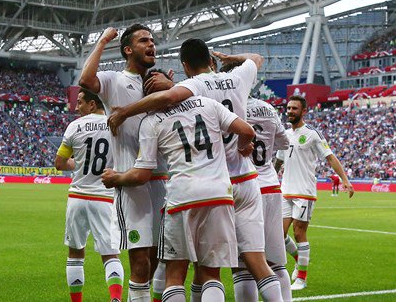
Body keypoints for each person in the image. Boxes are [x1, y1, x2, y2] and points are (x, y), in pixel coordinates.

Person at [108, 40, 282, 302]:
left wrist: (123, 112)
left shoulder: (192, 91)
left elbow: (168, 98)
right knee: (251, 263)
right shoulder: (237, 78)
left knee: (179, 270)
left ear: (185, 67)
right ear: (211, 61)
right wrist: (230, 56)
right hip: (241, 181)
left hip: (196, 187)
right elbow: (256, 58)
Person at [103, 95, 256, 302]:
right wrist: (241, 147)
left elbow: (141, 175)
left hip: (181, 198)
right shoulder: (207, 103)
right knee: (211, 274)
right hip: (219, 195)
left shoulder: (151, 121)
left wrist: (116, 177)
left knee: (175, 274)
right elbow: (247, 131)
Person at [78, 25, 171, 302]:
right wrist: (103, 40)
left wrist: (172, 86)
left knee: (157, 260)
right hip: (132, 184)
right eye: (144, 40)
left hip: (164, 181)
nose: (151, 44)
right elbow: (85, 79)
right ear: (128, 50)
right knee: (140, 262)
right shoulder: (114, 81)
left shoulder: (161, 82)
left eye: (152, 40)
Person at [275, 95, 354, 292]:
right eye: (289, 108)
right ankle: (298, 260)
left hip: (305, 192)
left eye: (294, 108)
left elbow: (330, 158)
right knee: (278, 234)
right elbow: (278, 162)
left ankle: (302, 278)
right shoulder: (284, 134)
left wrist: (345, 180)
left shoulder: (312, 134)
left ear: (304, 111)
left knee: (299, 232)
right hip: (285, 191)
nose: (290, 111)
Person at [54, 88, 124, 302]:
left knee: (75, 254)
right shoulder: (115, 124)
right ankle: (116, 298)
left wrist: (79, 164)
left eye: (81, 102)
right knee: (110, 255)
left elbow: (59, 163)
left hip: (77, 198)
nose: (77, 107)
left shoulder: (75, 126)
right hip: (104, 197)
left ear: (93, 104)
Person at [243, 93, 294, 302]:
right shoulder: (268, 108)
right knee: (276, 262)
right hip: (271, 185)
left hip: (246, 186)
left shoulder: (231, 104)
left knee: (242, 267)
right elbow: (283, 142)